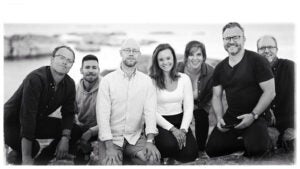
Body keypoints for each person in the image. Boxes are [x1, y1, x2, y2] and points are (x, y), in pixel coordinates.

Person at [205, 22, 276, 158]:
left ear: (243, 39)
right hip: (233, 115)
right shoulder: (220, 67)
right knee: (212, 150)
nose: (231, 42)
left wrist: (253, 115)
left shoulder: (258, 61)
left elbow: (270, 92)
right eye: (227, 38)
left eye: (236, 37)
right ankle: (248, 141)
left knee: (256, 150)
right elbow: (216, 96)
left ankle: (264, 140)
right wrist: (220, 118)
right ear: (223, 41)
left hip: (257, 115)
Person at [4, 46, 82, 165]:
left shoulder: (69, 84)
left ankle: (41, 162)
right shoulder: (36, 79)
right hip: (10, 123)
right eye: (61, 57)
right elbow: (27, 117)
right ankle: (18, 159)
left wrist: (65, 138)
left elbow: (68, 113)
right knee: (32, 148)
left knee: (75, 130)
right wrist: (26, 157)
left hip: (37, 120)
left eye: (69, 60)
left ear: (72, 65)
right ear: (52, 59)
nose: (65, 62)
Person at [96, 38, 161, 165]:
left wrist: (150, 141)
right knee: (111, 164)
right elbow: (102, 115)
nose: (131, 53)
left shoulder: (147, 81)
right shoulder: (107, 81)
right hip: (111, 139)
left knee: (154, 161)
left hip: (135, 138)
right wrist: (109, 146)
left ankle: (129, 156)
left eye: (135, 51)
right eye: (127, 50)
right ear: (121, 53)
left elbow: (150, 112)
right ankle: (124, 157)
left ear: (139, 55)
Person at [149, 43, 198, 163]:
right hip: (159, 122)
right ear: (156, 62)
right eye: (161, 59)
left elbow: (188, 107)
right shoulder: (151, 81)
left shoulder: (184, 78)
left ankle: (172, 158)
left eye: (168, 58)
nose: (165, 62)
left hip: (180, 120)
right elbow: (151, 111)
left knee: (191, 153)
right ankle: (163, 157)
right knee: (169, 145)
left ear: (174, 59)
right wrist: (173, 130)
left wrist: (183, 130)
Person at [257, 35, 295, 151]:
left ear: (277, 49)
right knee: (261, 146)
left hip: (290, 121)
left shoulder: (290, 66)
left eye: (270, 47)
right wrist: (266, 107)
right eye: (262, 48)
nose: (266, 51)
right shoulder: (253, 71)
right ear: (257, 51)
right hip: (267, 122)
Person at [177, 41, 214, 155]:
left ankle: (201, 150)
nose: (195, 58)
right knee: (185, 145)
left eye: (199, 54)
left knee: (202, 118)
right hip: (180, 103)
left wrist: (198, 107)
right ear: (186, 56)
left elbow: (210, 95)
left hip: (201, 103)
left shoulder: (210, 72)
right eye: (191, 54)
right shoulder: (178, 68)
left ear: (204, 57)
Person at [74, 54, 101, 164]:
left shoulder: (106, 87)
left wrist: (91, 132)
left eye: (94, 68)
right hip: (81, 128)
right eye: (87, 67)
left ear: (99, 70)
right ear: (81, 70)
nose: (91, 71)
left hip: (102, 129)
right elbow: (72, 112)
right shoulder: (75, 87)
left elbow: (113, 118)